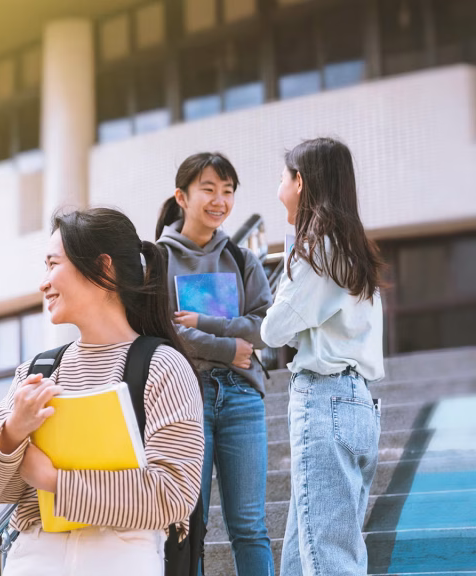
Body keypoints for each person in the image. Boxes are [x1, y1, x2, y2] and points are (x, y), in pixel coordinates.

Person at [0, 207, 204, 576]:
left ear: (103, 268)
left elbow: (174, 493)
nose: (43, 283)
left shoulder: (162, 366)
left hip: (124, 557)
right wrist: (13, 432)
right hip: (34, 557)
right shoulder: (35, 372)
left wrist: (53, 481)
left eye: (52, 265)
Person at [262, 137, 384, 576]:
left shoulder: (319, 250)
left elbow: (273, 329)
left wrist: (294, 245)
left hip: (325, 401)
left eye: (282, 179)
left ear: (300, 182)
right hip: (355, 403)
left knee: (329, 560)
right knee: (302, 559)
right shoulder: (352, 249)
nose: (278, 190)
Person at [155, 152, 274, 575]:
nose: (219, 200)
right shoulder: (157, 261)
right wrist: (229, 347)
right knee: (190, 523)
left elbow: (265, 329)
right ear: (181, 197)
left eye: (227, 191)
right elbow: (165, 334)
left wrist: (205, 324)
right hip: (187, 398)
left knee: (250, 526)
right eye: (208, 189)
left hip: (243, 399)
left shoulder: (243, 261)